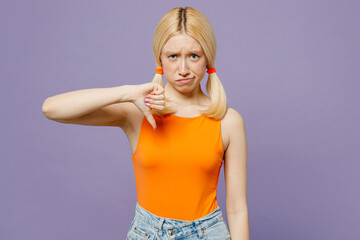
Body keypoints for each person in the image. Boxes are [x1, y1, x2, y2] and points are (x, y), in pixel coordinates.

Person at [42, 6, 249, 240]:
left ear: (207, 58)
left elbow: (237, 209)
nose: (183, 69)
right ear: (159, 58)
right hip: (148, 233)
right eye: (173, 56)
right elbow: (52, 109)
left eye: (194, 56)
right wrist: (127, 93)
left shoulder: (227, 121)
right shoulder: (138, 113)